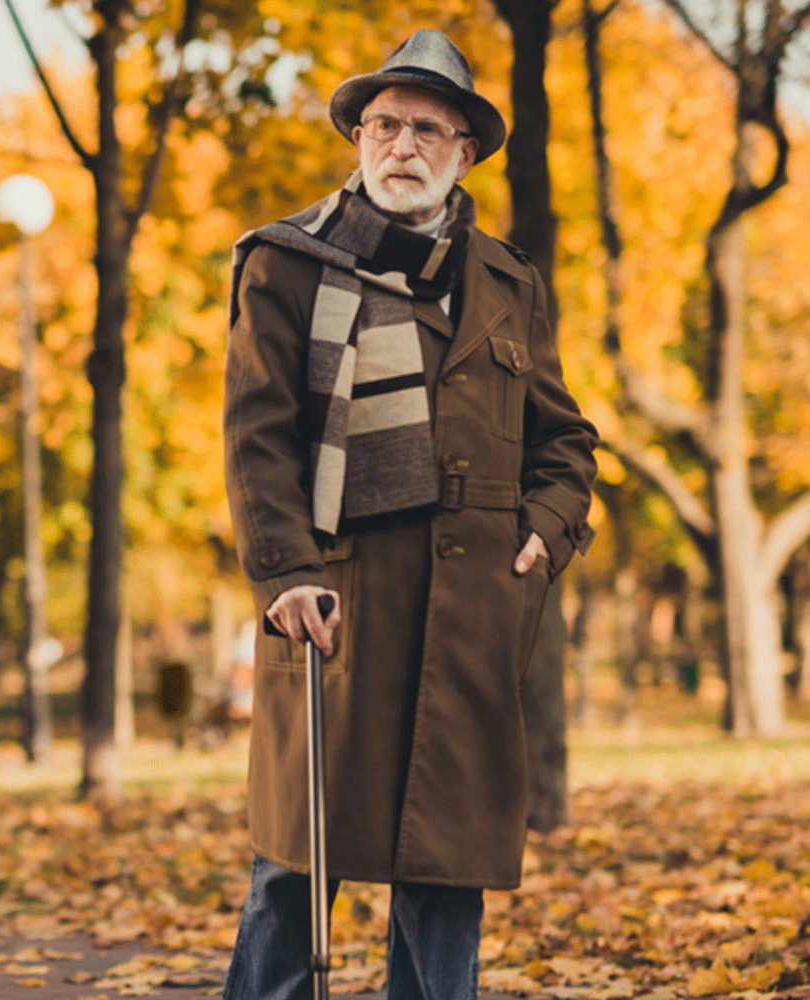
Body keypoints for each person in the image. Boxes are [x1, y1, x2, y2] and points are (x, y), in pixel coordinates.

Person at [222, 28, 599, 1000]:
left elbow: (564, 443)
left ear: (463, 153)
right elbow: (258, 436)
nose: (403, 147)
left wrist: (542, 534)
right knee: (297, 870)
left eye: (428, 130)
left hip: (470, 613)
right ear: (356, 135)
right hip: (333, 604)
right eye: (384, 124)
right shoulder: (286, 264)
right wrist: (284, 570)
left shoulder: (508, 281)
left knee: (442, 873)